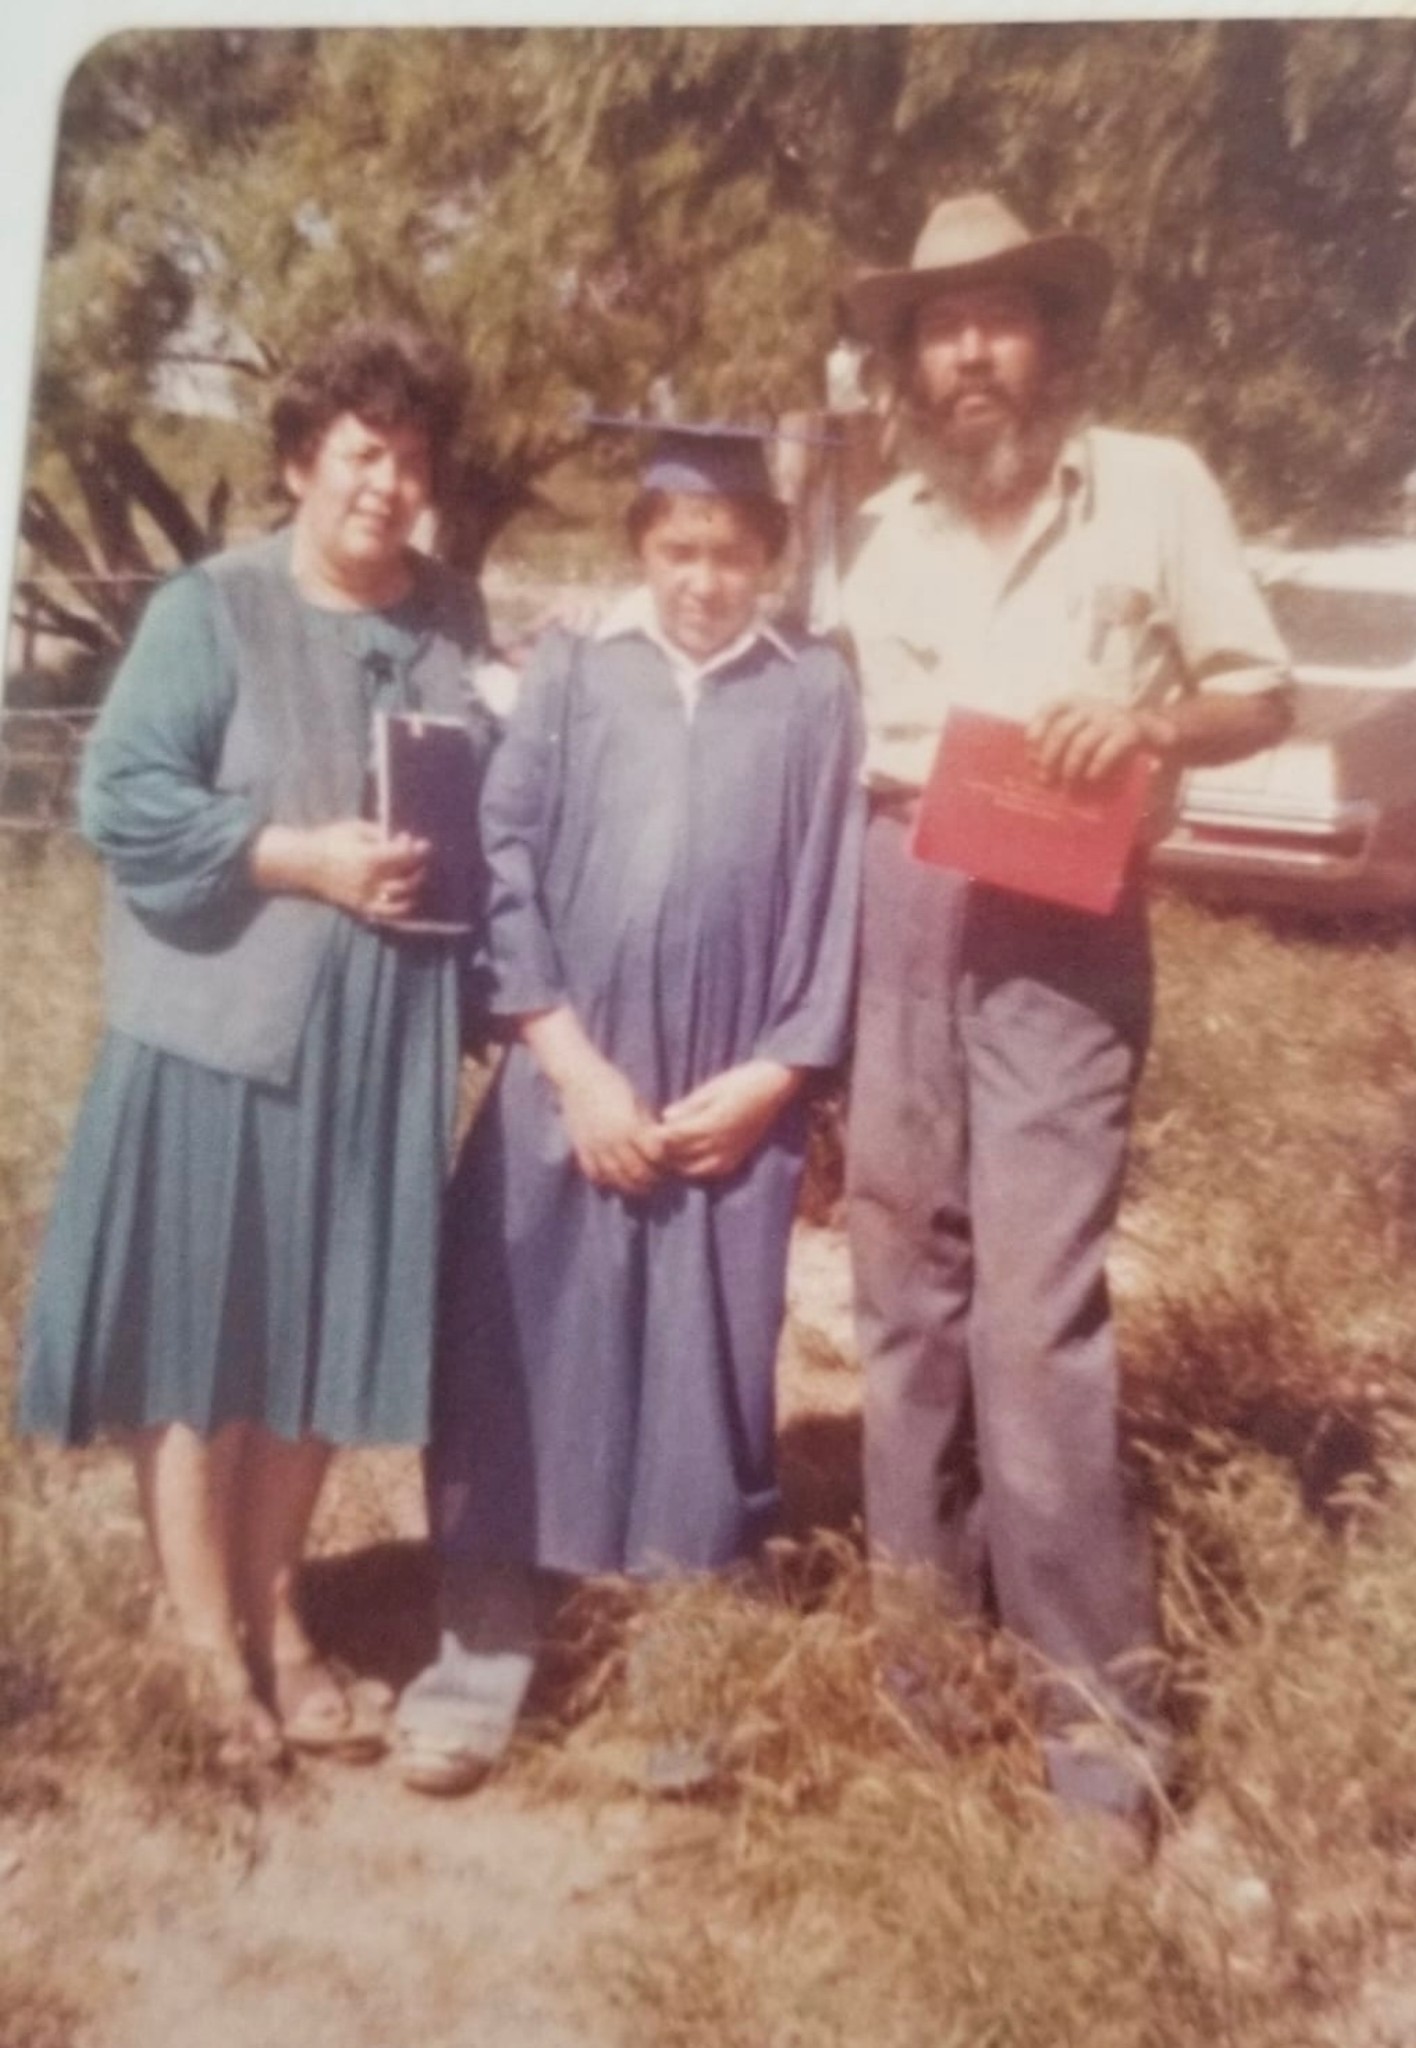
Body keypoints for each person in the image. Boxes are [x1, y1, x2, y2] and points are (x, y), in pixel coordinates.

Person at [839, 193, 1291, 1836]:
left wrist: (1152, 718)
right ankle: (924, 1690)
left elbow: (1265, 688)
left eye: (999, 317)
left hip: (1061, 913)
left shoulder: (1151, 484)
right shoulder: (880, 522)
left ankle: (1100, 1753)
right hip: (896, 890)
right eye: (938, 326)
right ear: (907, 358)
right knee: (901, 1303)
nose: (969, 352)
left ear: (1053, 334)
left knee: (1033, 1328)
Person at [18, 321, 486, 1767]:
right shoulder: (208, 607)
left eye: (410, 459)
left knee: (322, 1343)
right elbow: (124, 797)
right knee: (202, 1349)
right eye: (359, 454)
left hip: (380, 1038)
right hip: (219, 1033)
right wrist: (294, 856)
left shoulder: (454, 617)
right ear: (297, 463)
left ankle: (283, 1617)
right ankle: (202, 1644)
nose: (385, 484)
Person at [394, 424, 865, 1795]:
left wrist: (781, 1071)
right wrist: (569, 1059)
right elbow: (505, 853)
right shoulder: (577, 678)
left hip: (733, 1088)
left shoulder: (813, 695)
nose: (703, 579)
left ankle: (688, 1674)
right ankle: (480, 1658)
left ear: (769, 556)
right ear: (638, 551)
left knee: (705, 1372)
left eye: (729, 553)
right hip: (568, 1068)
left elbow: (837, 891)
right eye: (676, 551)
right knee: (514, 1344)